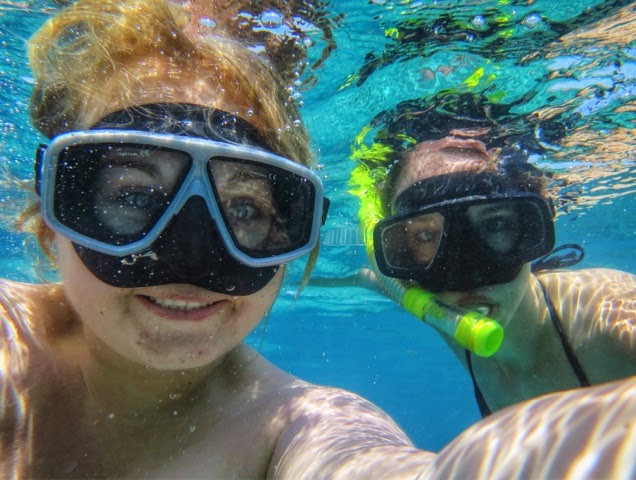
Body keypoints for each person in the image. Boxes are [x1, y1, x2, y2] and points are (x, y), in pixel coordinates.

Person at [0, 0, 443, 477]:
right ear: (53, 210)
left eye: (244, 208)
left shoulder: (292, 425)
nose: (192, 258)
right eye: (135, 196)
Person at [349, 91, 636, 417]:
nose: (465, 276)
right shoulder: (447, 320)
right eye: (425, 235)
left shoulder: (617, 323)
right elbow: (380, 281)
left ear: (531, 226)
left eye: (496, 224)